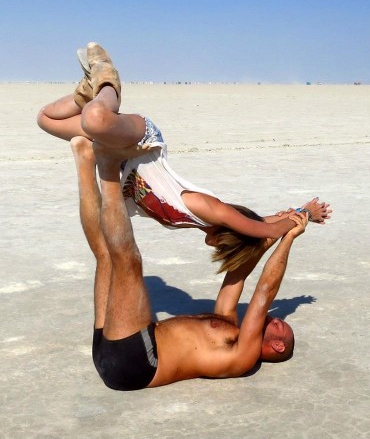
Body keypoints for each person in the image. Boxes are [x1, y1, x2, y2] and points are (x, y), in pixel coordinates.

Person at [37, 42, 330, 274]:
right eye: (222, 249)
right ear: (228, 237)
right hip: (142, 142)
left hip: (116, 155)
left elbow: (264, 221)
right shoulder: (208, 209)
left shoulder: (198, 222)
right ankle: (108, 82)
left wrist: (296, 210)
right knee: (95, 120)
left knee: (46, 118)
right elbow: (264, 229)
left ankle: (87, 92)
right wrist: (303, 217)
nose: (213, 248)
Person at [70, 134, 307, 389]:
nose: (278, 320)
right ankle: (85, 159)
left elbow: (265, 292)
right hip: (114, 350)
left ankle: (107, 165)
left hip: (137, 363)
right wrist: (274, 231)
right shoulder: (227, 322)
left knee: (128, 263)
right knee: (106, 256)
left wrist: (289, 239)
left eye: (283, 329)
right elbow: (238, 273)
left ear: (278, 346)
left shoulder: (243, 357)